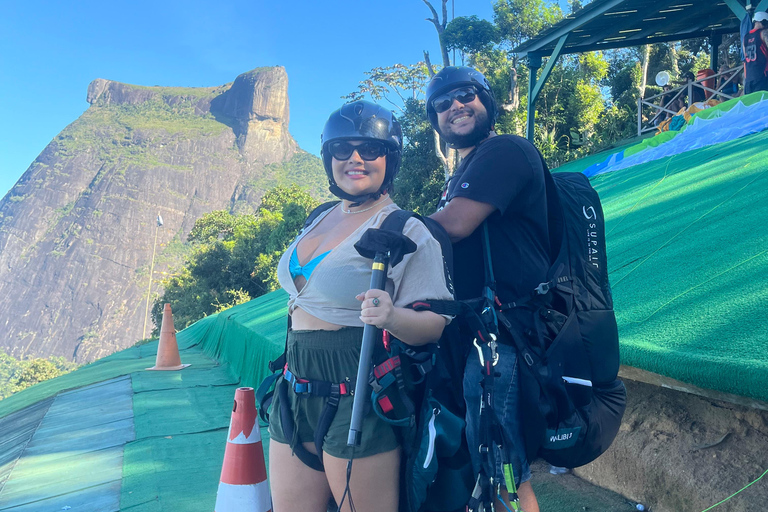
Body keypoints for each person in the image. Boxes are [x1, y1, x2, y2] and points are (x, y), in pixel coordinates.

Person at [268, 100, 454, 512]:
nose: (354, 158)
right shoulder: (318, 217)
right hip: (295, 380)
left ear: (390, 158)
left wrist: (391, 316)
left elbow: (436, 323)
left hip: (359, 383)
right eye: (342, 149)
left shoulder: (405, 229)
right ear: (327, 157)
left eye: (370, 149)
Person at [427, 66, 547, 512]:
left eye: (465, 95)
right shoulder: (459, 176)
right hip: (481, 335)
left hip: (506, 338)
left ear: (487, 101)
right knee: (490, 464)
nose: (455, 106)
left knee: (504, 472)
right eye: (442, 103)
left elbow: (454, 227)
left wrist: (387, 224)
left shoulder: (504, 151)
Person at [744, 11, 768, 94]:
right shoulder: (764, 33)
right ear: (764, 21)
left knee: (752, 105)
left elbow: (745, 57)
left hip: (749, 78)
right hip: (762, 76)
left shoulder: (745, 37)